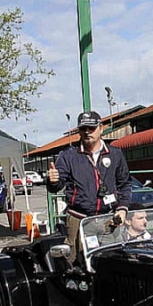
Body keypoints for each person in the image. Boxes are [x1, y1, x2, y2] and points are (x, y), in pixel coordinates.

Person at [48, 110, 131, 263]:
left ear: (101, 128)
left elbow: (124, 184)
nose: (87, 132)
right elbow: (57, 185)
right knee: (75, 263)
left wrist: (122, 209)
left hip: (109, 219)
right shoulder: (68, 156)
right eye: (83, 128)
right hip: (79, 219)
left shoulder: (115, 154)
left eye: (91, 128)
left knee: (115, 261)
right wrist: (53, 181)